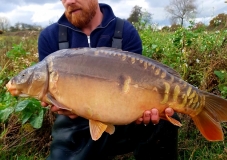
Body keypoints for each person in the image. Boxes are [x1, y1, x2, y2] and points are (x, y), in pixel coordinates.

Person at [38, 0, 180, 159]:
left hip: (124, 118)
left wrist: (146, 110)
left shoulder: (125, 31)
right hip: (75, 126)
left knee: (165, 119)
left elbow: (141, 84)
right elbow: (48, 93)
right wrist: (61, 105)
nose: (70, 1)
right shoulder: (50, 37)